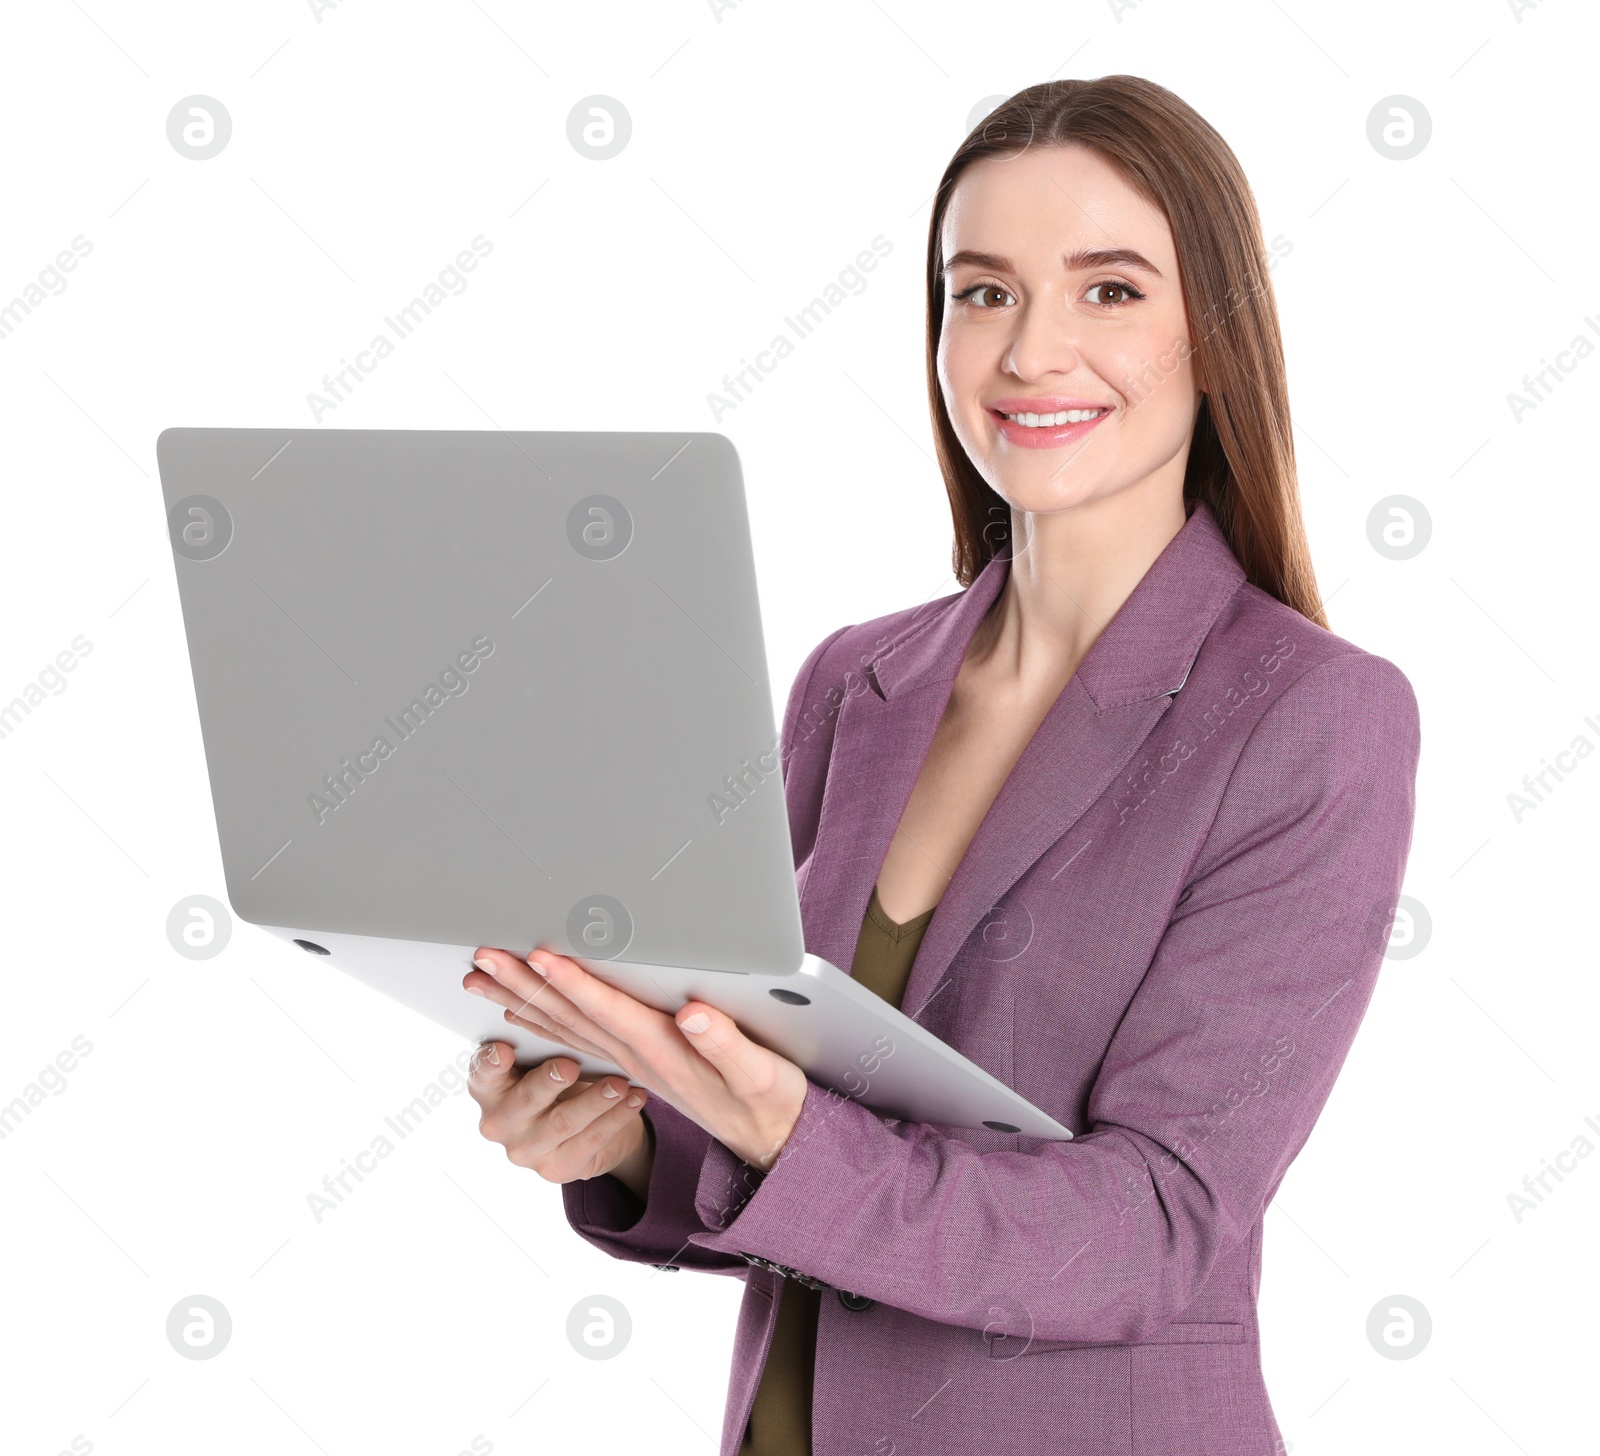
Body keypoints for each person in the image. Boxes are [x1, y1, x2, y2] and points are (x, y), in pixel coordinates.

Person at [464, 74, 1420, 1456]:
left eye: (1109, 291)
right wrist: (620, 1139)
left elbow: (1152, 1230)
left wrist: (786, 1133)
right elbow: (786, 1157)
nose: (1032, 352)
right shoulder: (857, 683)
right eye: (982, 293)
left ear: (1214, 333)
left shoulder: (1311, 720)